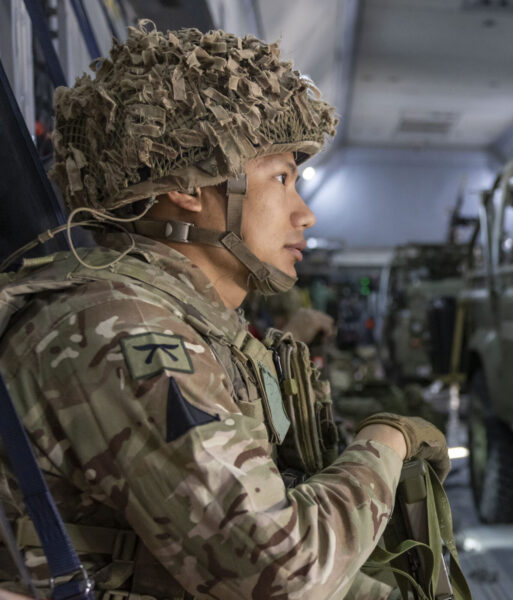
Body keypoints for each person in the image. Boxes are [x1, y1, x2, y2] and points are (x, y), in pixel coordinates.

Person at [0, 22, 449, 600]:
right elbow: (288, 575)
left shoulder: (199, 326)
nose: (304, 212)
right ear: (190, 188)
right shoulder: (120, 330)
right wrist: (388, 440)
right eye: (281, 178)